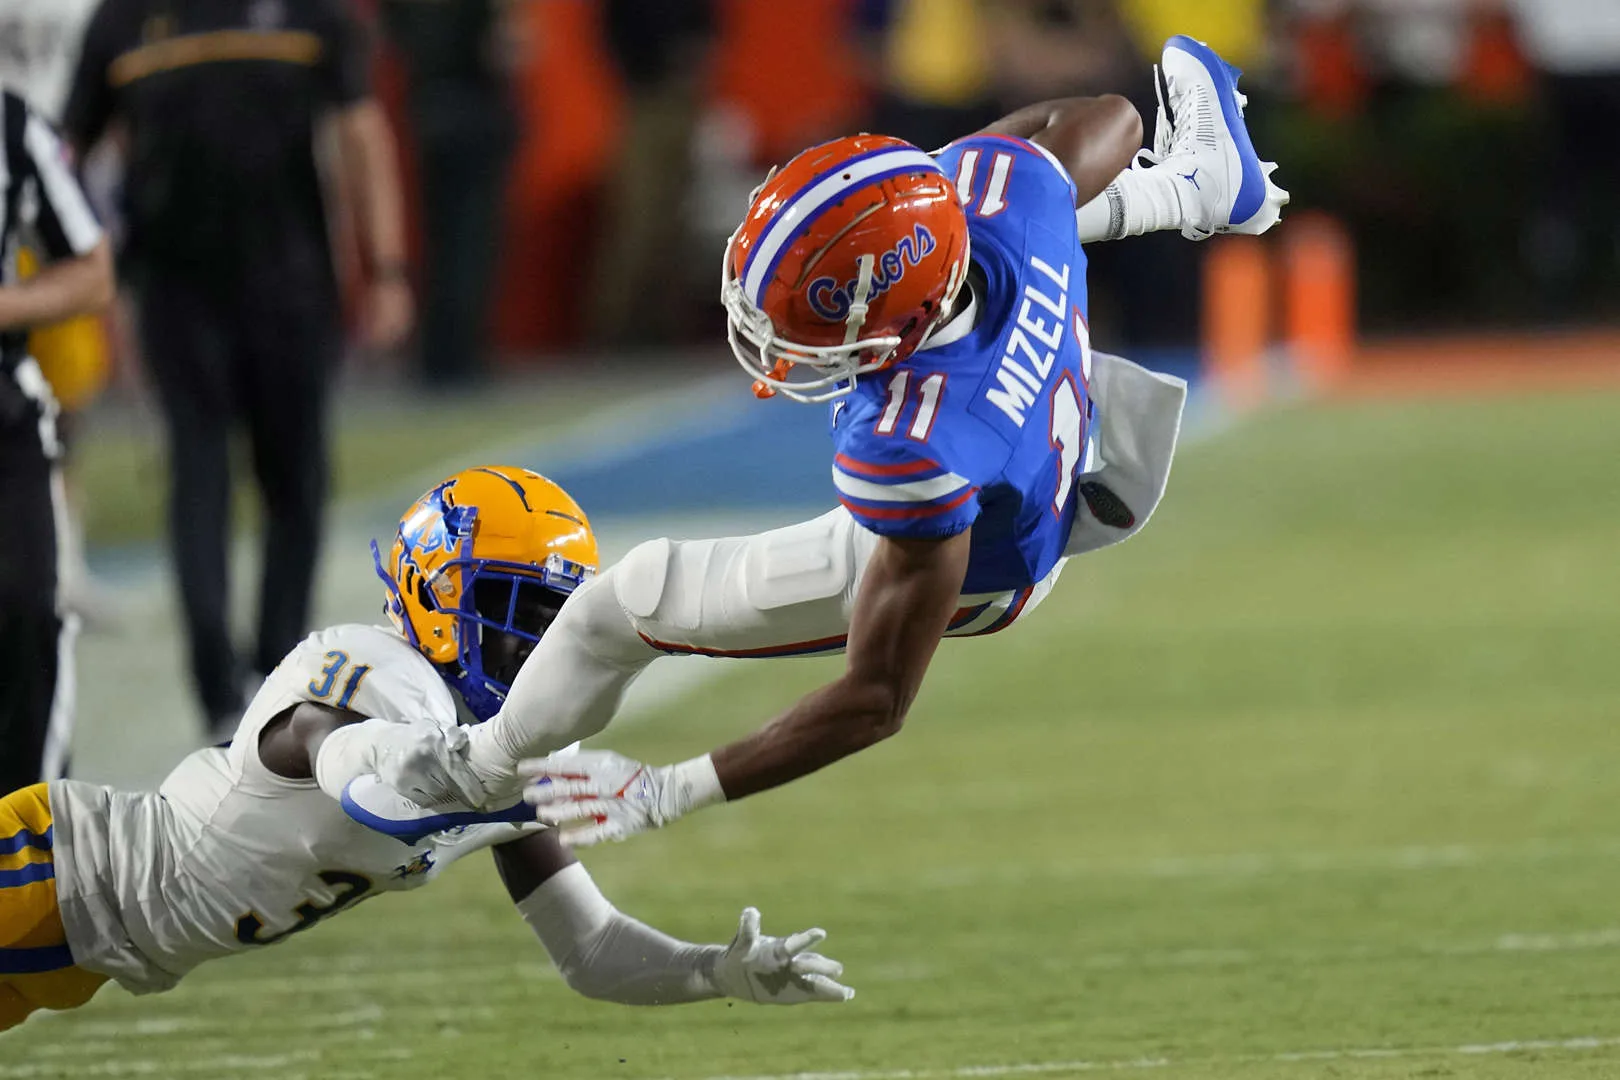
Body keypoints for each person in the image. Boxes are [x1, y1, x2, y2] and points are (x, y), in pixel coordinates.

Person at [336, 38, 1288, 843]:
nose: (784, 347)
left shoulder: (916, 445)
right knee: (974, 180)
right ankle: (1201, 189)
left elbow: (877, 698)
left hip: (995, 561)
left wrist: (672, 790)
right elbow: (1109, 117)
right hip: (1049, 422)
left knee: (615, 608)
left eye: (816, 327)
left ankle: (473, 774)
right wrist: (1165, 190)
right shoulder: (1008, 198)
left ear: (898, 328)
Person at [0, 465, 852, 1033]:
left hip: (88, 949)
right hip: (52, 875)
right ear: (435, 587)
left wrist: (715, 972)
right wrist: (411, 763)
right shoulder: (375, 671)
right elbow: (337, 758)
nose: (534, 641)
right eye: (512, 606)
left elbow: (590, 950)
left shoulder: (501, 751)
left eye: (553, 616)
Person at [62, 0, 415, 739]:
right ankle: (219, 689)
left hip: (290, 286)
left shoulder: (311, 16)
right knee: (198, 475)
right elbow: (69, 155)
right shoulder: (124, 22)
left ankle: (278, 666)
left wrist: (385, 269)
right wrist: (85, 277)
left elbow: (360, 132)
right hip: (174, 292)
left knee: (296, 480)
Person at [0, 88, 114, 798]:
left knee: (26, 617)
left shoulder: (13, 126)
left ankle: (29, 844)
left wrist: (7, 304)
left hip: (3, 410)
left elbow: (92, 268)